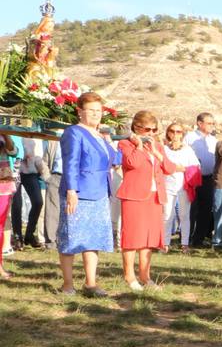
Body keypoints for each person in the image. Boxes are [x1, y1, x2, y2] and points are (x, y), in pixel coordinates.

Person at [57, 92, 118, 296]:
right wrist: (71, 190)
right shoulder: (73, 132)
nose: (95, 114)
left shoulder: (99, 135)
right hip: (79, 192)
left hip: (99, 193)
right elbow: (71, 162)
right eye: (91, 110)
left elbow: (116, 159)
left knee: (93, 239)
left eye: (98, 111)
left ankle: (90, 284)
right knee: (71, 238)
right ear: (80, 112)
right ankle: (67, 284)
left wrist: (108, 140)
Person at [116, 111, 181, 290]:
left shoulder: (158, 146)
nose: (151, 133)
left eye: (154, 130)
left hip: (154, 196)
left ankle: (145, 276)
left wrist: (156, 153)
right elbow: (132, 163)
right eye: (147, 129)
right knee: (132, 237)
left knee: (149, 238)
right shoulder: (125, 143)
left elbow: (169, 168)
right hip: (134, 196)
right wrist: (138, 146)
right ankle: (129, 277)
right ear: (136, 128)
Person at [161, 124, 199, 251]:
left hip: (183, 186)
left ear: (182, 134)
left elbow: (196, 167)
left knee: (184, 215)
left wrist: (179, 168)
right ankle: (165, 243)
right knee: (167, 214)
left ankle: (185, 243)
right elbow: (161, 165)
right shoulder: (164, 149)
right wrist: (176, 167)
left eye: (178, 132)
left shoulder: (187, 150)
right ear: (168, 133)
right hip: (167, 185)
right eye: (172, 131)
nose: (175, 134)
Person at [184, 112, 217, 247]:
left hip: (209, 178)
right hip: (193, 178)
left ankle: (199, 239)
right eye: (209, 123)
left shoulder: (213, 140)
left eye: (212, 123)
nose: (211, 126)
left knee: (206, 209)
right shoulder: (189, 138)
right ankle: (186, 238)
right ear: (199, 123)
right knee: (191, 209)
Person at [15, 135, 45, 249]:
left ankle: (29, 235)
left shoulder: (34, 137)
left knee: (38, 202)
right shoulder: (13, 132)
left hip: (30, 171)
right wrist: (22, 156)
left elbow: (38, 156)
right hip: (15, 170)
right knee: (17, 205)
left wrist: (43, 172)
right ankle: (18, 237)